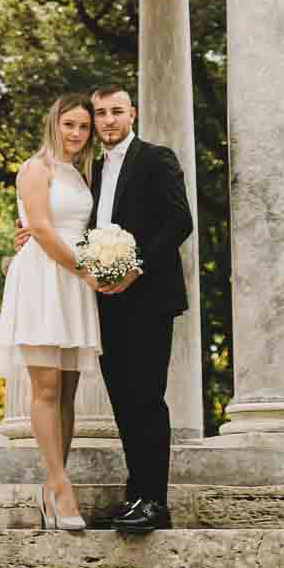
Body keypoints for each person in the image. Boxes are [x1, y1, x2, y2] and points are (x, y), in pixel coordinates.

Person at [86, 84, 193, 534]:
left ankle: (155, 502)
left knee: (148, 397)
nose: (108, 120)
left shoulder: (156, 157)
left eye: (116, 112)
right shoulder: (91, 169)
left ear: (133, 114)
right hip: (104, 299)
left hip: (149, 295)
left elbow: (179, 221)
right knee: (123, 401)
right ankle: (135, 494)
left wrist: (136, 266)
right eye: (100, 114)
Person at [0, 93, 101, 531]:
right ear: (54, 123)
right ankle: (59, 486)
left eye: (83, 127)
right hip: (44, 277)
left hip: (74, 281)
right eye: (69, 124)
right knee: (47, 388)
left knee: (70, 393)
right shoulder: (35, 168)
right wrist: (85, 270)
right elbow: (38, 226)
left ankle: (54, 483)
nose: (76, 134)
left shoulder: (81, 174)